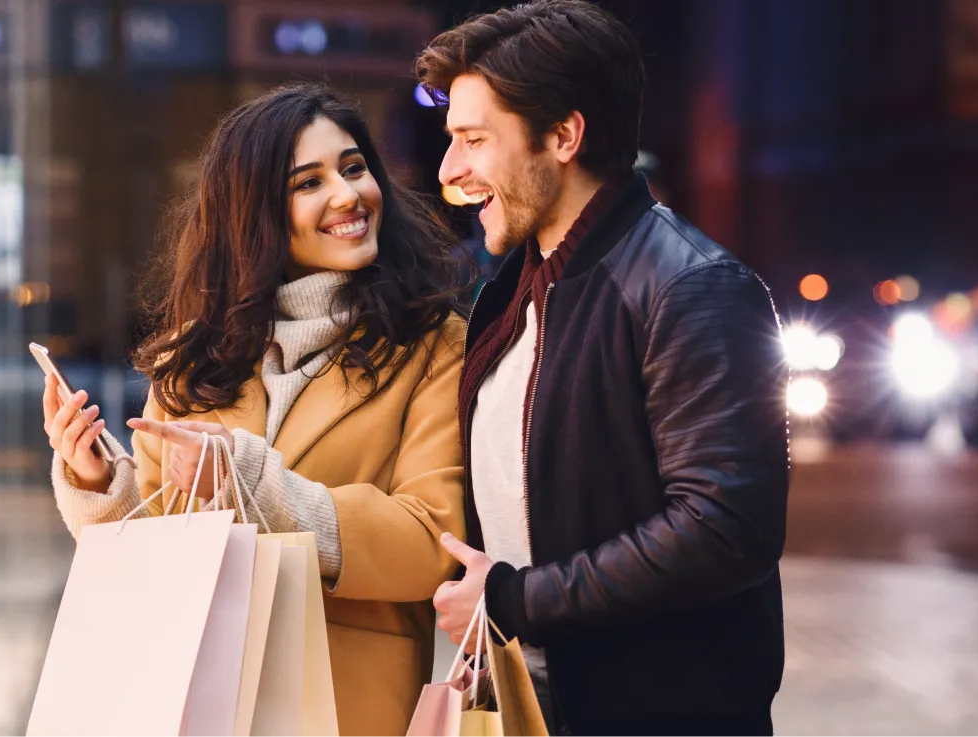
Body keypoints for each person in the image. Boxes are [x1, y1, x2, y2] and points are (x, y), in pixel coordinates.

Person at [40, 83, 469, 737]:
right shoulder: (193, 357)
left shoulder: (433, 344)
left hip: (351, 706)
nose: (348, 195)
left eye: (354, 168)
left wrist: (265, 489)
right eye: (309, 182)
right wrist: (99, 482)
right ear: (255, 212)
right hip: (204, 700)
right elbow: (164, 556)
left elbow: (430, 540)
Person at [416, 2, 791, 735]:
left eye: (473, 139)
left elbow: (724, 528)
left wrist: (517, 600)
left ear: (563, 134)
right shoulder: (512, 292)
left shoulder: (691, 286)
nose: (449, 170)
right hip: (536, 705)